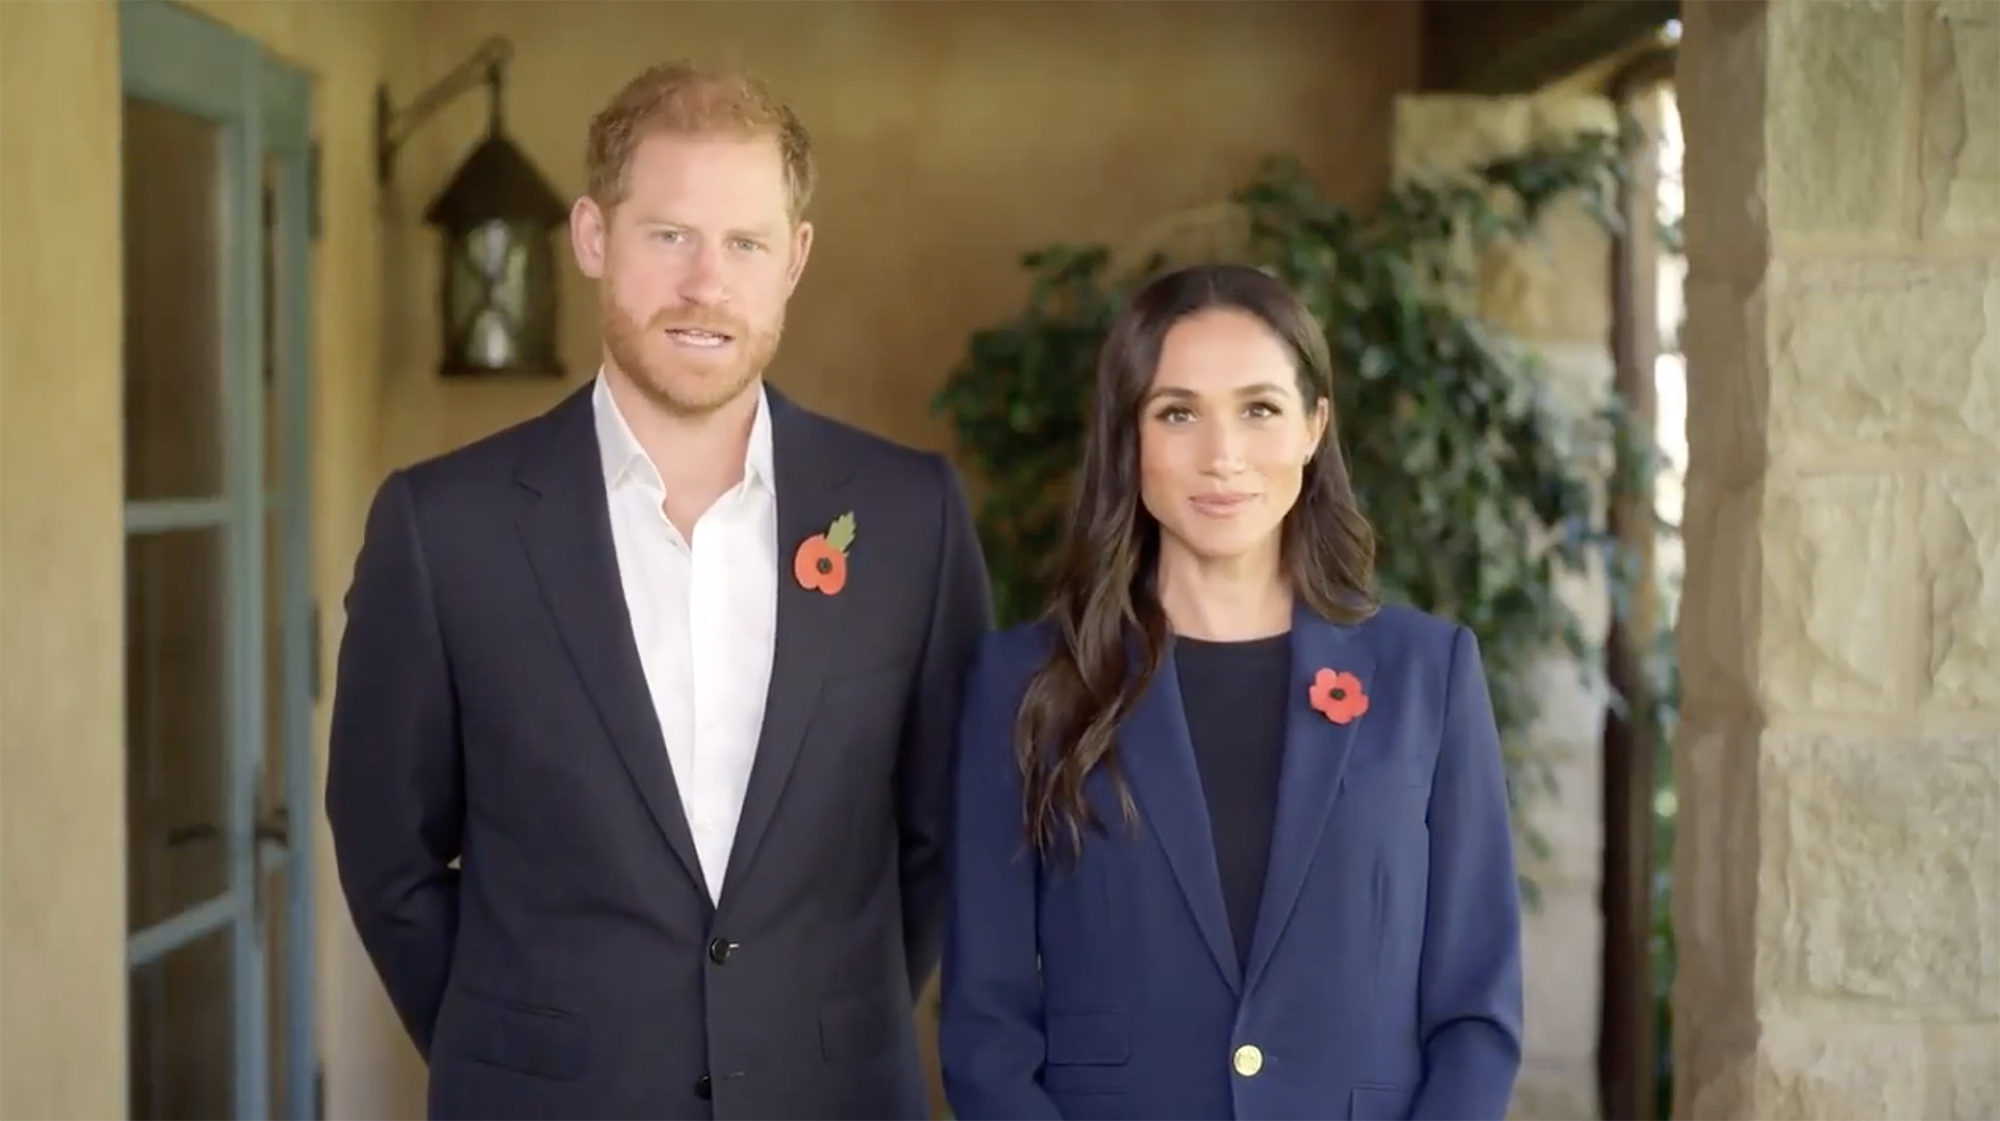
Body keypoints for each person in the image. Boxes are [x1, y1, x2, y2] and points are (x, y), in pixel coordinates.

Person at [327, 61, 992, 1121]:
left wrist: (814, 1017)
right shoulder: (441, 526)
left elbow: (942, 829)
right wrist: (510, 1038)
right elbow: (384, 844)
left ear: (794, 259)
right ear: (593, 238)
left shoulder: (912, 516)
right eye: (668, 235)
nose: (705, 285)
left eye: (744, 243)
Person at [938, 263, 1522, 1120]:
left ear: (1315, 426)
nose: (1223, 457)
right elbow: (986, 1027)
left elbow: (1477, 1009)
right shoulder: (1026, 685)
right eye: (1178, 413)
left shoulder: (1426, 675)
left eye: (1259, 409)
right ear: (1129, 435)